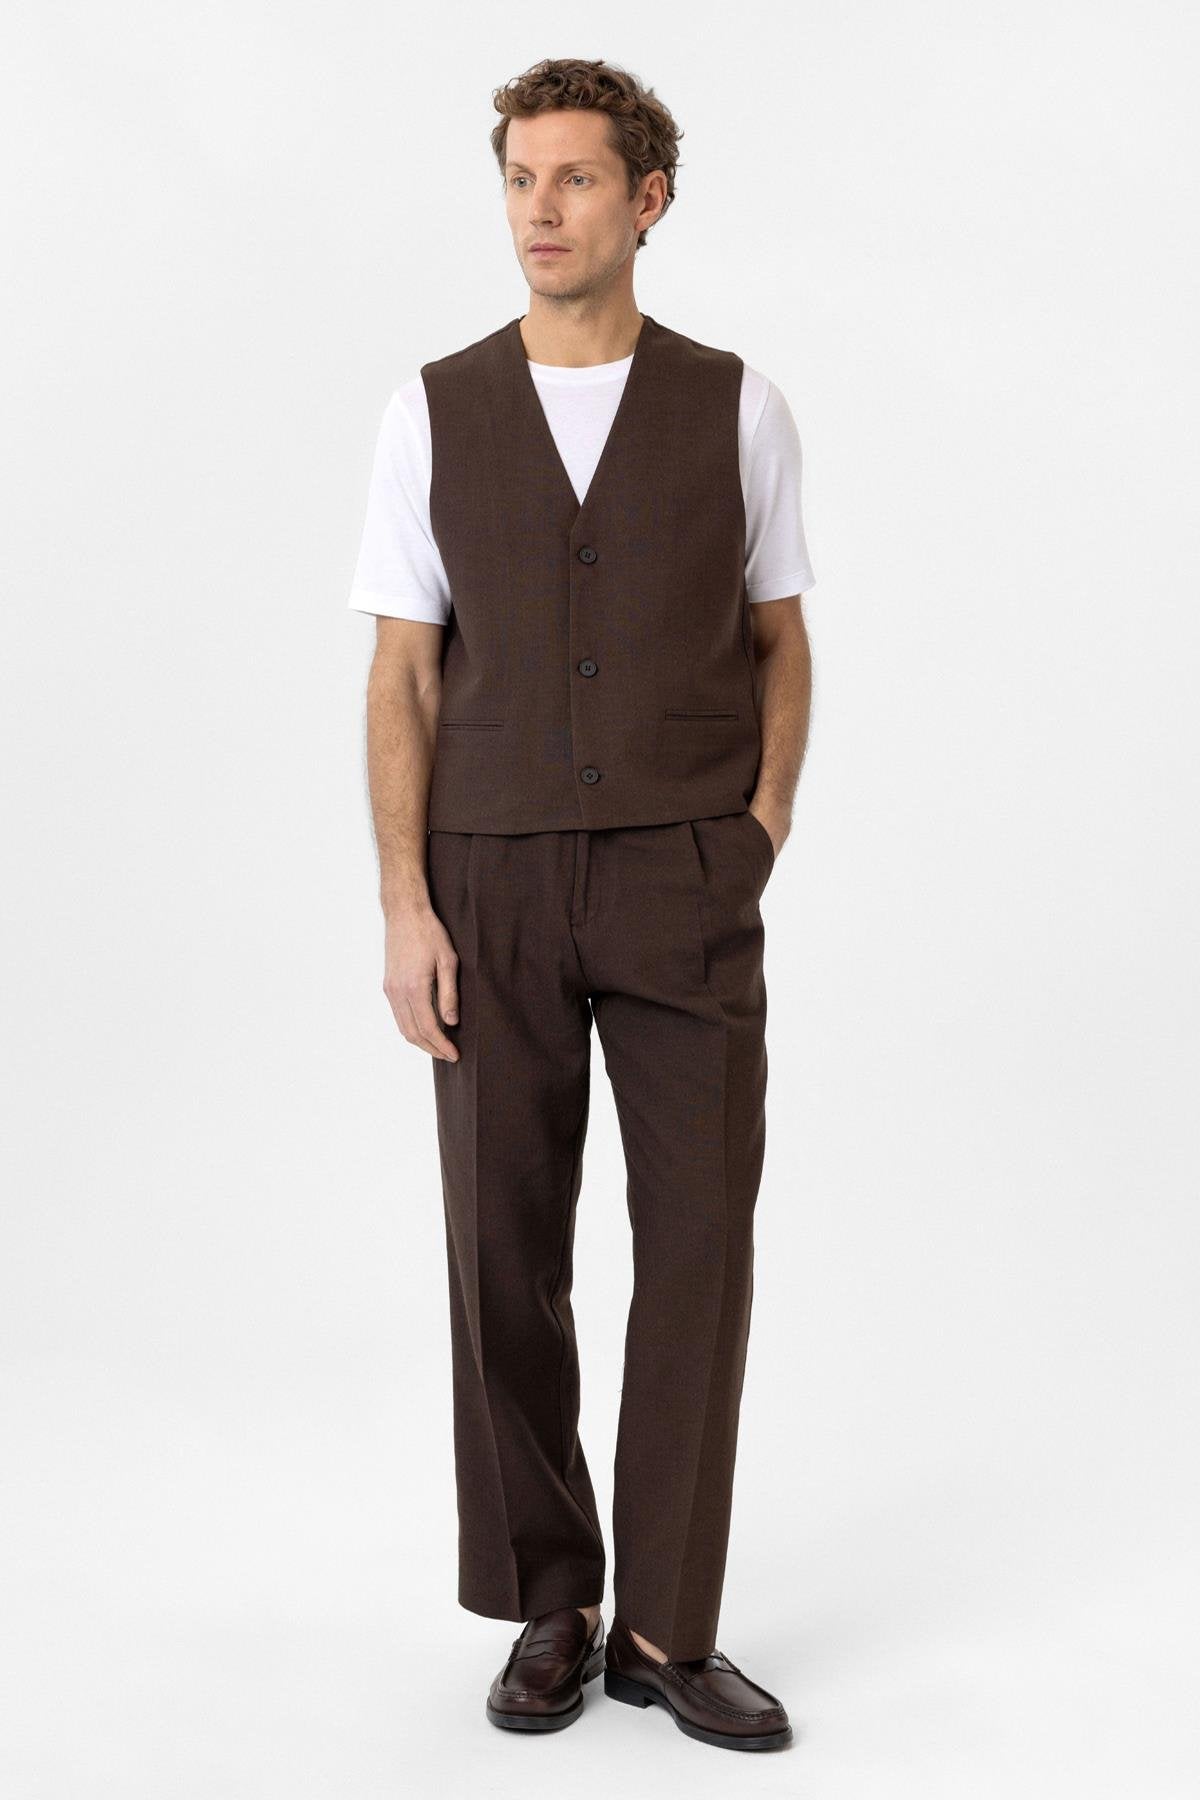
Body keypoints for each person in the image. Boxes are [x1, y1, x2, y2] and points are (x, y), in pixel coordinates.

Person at [347, 56, 815, 1754]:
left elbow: (781, 639)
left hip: (685, 877)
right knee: (503, 1244)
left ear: (647, 200)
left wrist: (756, 831)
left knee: (699, 1243)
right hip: (489, 879)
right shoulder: (433, 410)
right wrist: (407, 906)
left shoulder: (737, 406)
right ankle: (553, 1599)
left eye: (576, 179)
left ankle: (667, 1627)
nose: (540, 211)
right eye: (520, 179)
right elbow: (403, 674)